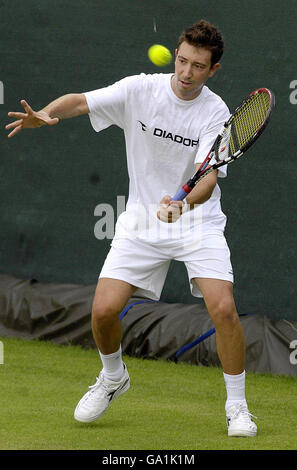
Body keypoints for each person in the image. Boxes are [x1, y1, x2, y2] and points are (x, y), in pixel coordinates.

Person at [6, 19, 257, 437]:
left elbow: (207, 177)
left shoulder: (215, 112)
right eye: (181, 60)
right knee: (103, 310)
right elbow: (80, 101)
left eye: (197, 66)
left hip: (197, 221)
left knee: (224, 308)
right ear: (174, 55)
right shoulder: (141, 88)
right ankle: (113, 377)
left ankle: (238, 407)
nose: (185, 72)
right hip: (142, 219)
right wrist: (46, 115)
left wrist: (182, 203)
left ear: (213, 70)